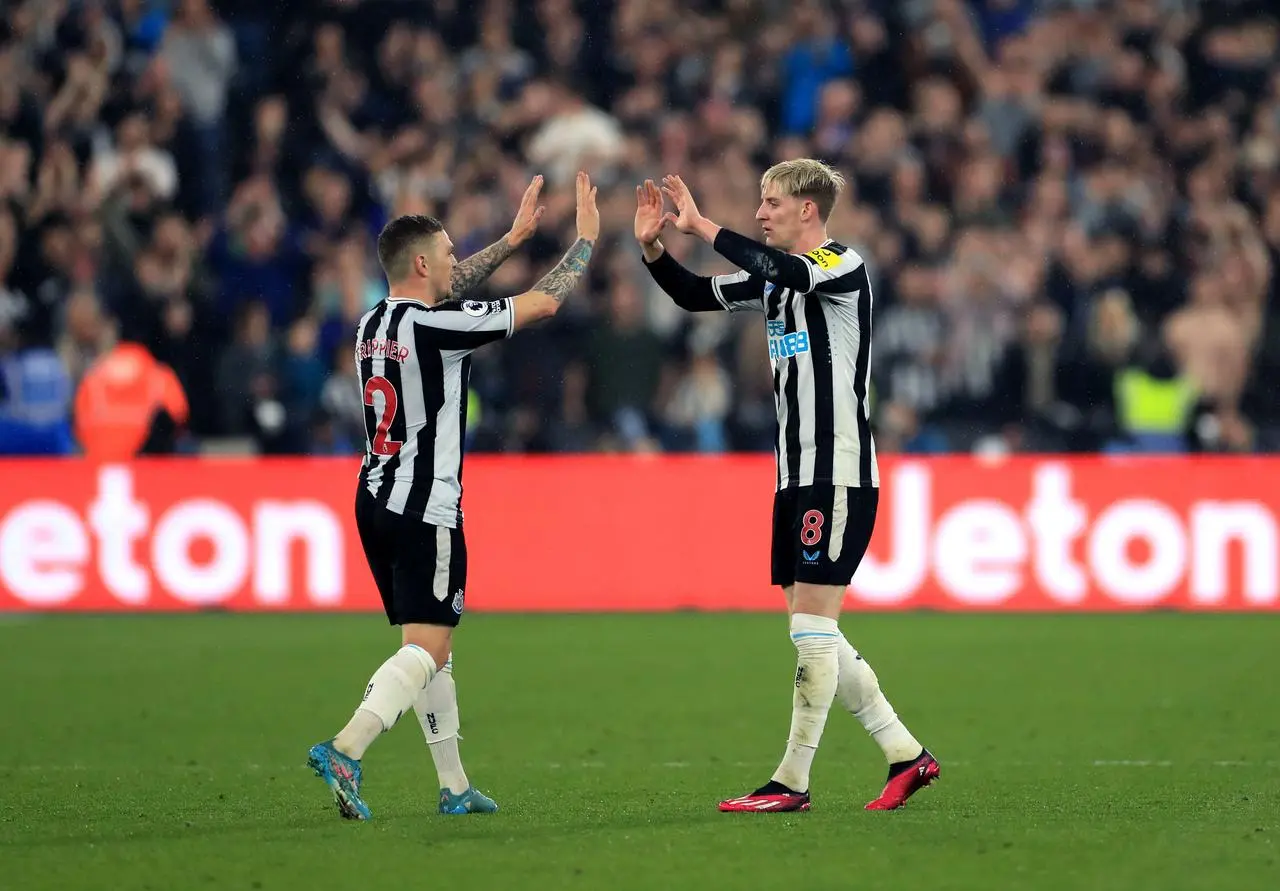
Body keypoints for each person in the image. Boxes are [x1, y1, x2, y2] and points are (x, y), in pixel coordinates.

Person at [635, 160, 938, 812]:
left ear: (808, 208)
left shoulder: (839, 265)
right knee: (811, 627)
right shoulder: (769, 283)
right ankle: (906, 754)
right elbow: (694, 296)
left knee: (810, 625)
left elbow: (792, 271)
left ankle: (792, 781)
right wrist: (655, 249)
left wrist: (703, 225)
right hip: (794, 474)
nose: (762, 213)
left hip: (838, 469)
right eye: (759, 202)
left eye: (772, 203)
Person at [308, 172, 600, 820]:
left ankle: (454, 784)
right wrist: (583, 244)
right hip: (425, 505)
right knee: (427, 646)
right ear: (420, 262)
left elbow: (451, 287)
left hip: (373, 498)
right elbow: (542, 304)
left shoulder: (370, 324)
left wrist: (513, 237)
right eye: (444, 254)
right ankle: (347, 746)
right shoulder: (437, 327)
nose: (453, 265)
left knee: (431, 646)